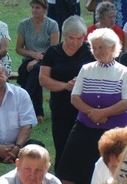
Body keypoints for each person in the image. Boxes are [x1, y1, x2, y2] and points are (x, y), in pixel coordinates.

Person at [57, 28, 127, 184]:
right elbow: (75, 97)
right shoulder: (86, 69)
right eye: (94, 47)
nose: (97, 51)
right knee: (70, 166)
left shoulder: (124, 72)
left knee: (116, 166)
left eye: (101, 47)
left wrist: (104, 113)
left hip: (115, 130)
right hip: (85, 124)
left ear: (113, 47)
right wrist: (92, 112)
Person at [39, 16, 95, 169]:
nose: (75, 42)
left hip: (84, 107)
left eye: (80, 38)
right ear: (64, 35)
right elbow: (43, 79)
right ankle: (62, 181)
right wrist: (65, 86)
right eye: (71, 38)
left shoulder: (89, 51)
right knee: (62, 146)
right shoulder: (53, 52)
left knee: (84, 147)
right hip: (61, 107)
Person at [16, 0, 60, 122]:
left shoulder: (52, 24)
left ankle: (25, 101)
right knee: (30, 70)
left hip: (48, 60)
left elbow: (54, 49)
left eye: (38, 7)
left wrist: (38, 59)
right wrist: (33, 55)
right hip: (29, 60)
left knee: (35, 69)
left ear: (45, 9)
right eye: (33, 7)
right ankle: (37, 112)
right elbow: (19, 49)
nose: (34, 10)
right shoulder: (24, 24)